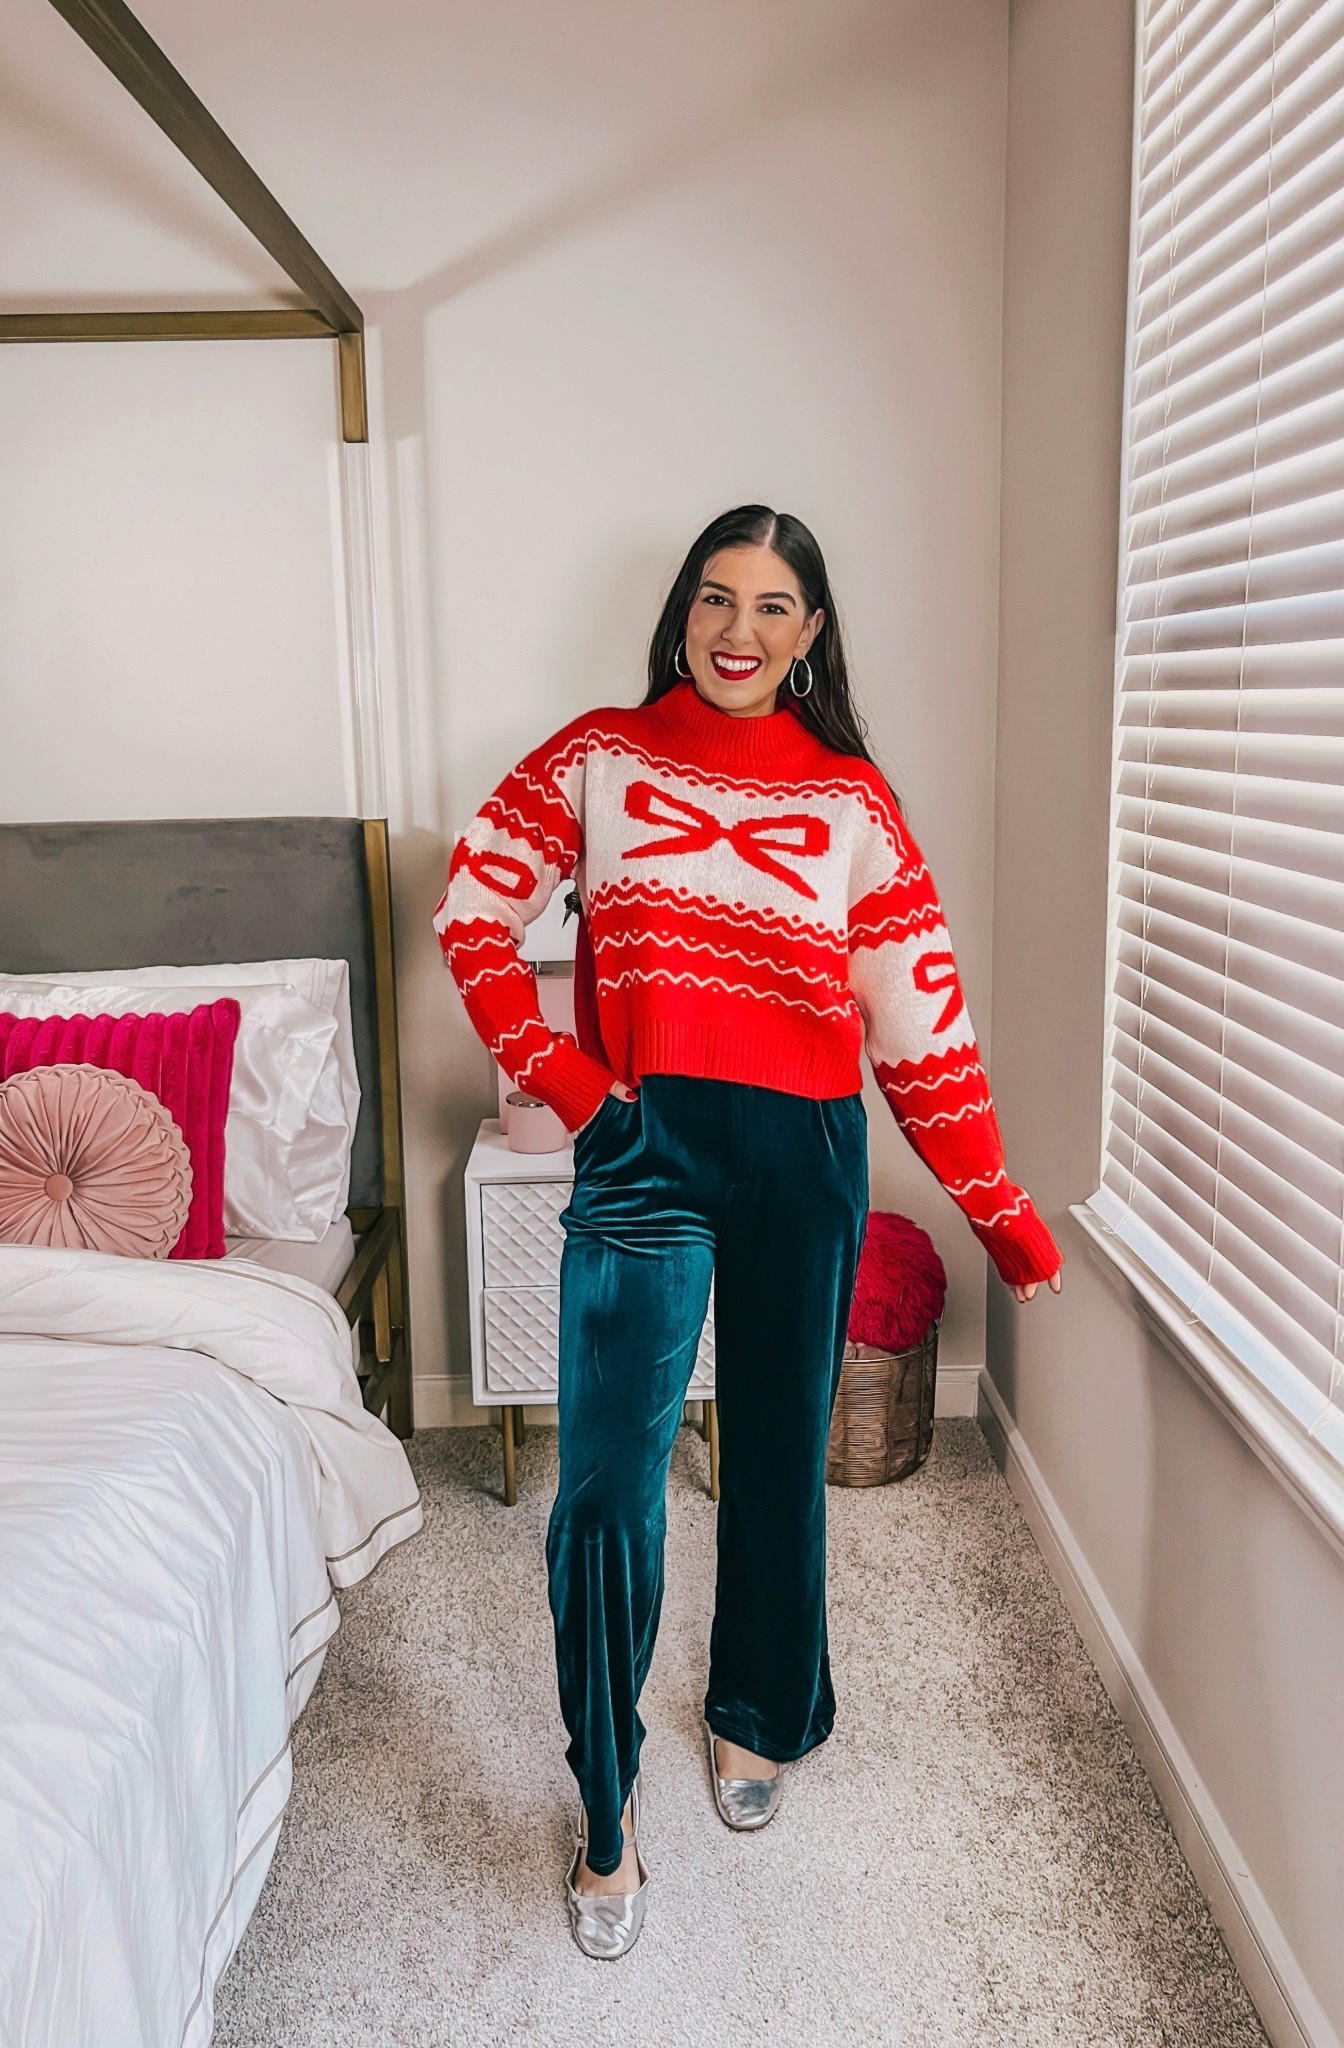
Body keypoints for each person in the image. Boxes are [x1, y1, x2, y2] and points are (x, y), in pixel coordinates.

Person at [433, 503, 1064, 1959]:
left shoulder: (852, 802)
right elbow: (474, 914)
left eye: (775, 607)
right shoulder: (600, 755)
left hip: (802, 1154)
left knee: (779, 1464)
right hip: (642, 1150)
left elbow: (919, 1028)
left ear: (813, 633)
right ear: (684, 610)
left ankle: (758, 1711)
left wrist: (998, 1205)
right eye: (719, 599)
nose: (740, 631)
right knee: (605, 1497)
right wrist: (578, 1084)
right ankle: (606, 1805)